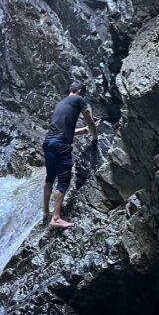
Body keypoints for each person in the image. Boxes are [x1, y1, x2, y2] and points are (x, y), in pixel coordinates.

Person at [42, 82, 98, 229]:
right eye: (83, 92)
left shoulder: (61, 103)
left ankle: (46, 212)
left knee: (50, 178)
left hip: (48, 143)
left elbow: (62, 130)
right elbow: (89, 119)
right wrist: (95, 136)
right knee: (64, 180)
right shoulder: (79, 100)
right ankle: (56, 218)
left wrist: (82, 131)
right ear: (79, 90)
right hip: (60, 145)